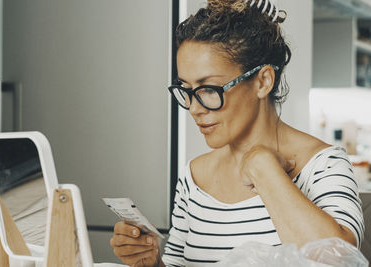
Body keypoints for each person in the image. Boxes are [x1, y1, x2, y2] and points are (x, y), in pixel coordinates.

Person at [110, 0, 364, 266]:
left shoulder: (323, 165)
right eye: (186, 89)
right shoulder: (193, 176)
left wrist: (264, 168)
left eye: (209, 89)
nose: (194, 108)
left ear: (263, 81)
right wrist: (151, 262)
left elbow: (341, 260)